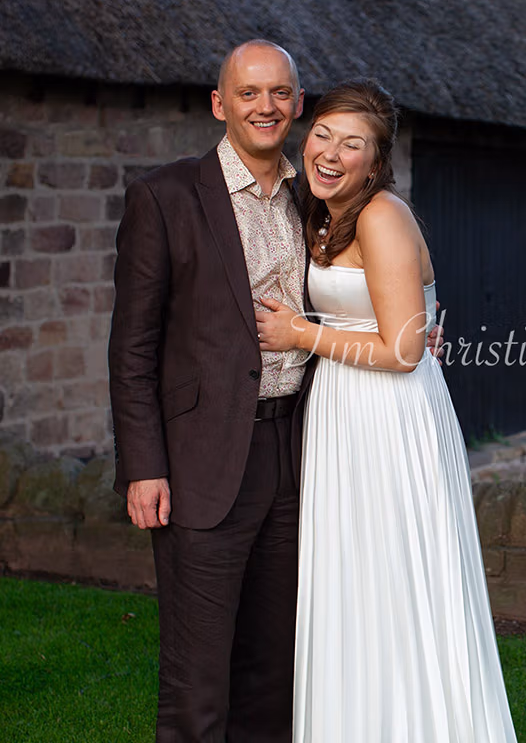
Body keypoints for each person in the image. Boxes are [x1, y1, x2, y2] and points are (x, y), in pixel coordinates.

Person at [108, 41, 440, 741]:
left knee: (276, 672)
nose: (266, 106)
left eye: (281, 93)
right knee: (198, 678)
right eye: (249, 92)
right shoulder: (166, 198)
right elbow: (133, 347)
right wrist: (143, 466)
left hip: (305, 455)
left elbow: (380, 287)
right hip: (202, 461)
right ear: (219, 104)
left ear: (297, 104)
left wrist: (421, 327)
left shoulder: (316, 197)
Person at [255, 79, 518, 741]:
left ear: (376, 161)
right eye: (322, 134)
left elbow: (402, 352)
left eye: (353, 144)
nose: (330, 153)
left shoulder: (380, 215)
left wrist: (300, 333)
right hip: (342, 412)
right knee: (353, 584)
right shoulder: (321, 211)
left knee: (395, 581)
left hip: (388, 418)